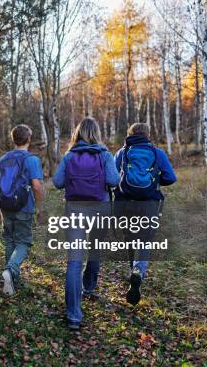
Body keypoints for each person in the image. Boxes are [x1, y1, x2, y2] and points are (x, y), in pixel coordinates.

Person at [53, 117, 119, 330]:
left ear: (78, 133)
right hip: (100, 206)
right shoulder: (104, 154)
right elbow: (113, 181)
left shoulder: (69, 155)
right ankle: (88, 287)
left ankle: (73, 315)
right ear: (97, 133)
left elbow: (57, 182)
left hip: (74, 209)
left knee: (74, 261)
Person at [114, 122, 176, 305]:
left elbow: (111, 174)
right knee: (145, 240)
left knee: (130, 238)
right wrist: (155, 180)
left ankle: (132, 269)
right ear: (148, 135)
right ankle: (138, 271)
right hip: (149, 203)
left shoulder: (122, 152)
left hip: (125, 203)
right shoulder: (157, 153)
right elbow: (171, 177)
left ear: (130, 134)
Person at [0, 124, 43, 296]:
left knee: (9, 241)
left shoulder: (3, 159)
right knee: (23, 242)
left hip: (5, 206)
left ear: (13, 139)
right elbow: (36, 186)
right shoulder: (32, 159)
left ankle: (11, 282)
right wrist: (40, 207)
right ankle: (11, 270)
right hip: (24, 206)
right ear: (28, 139)